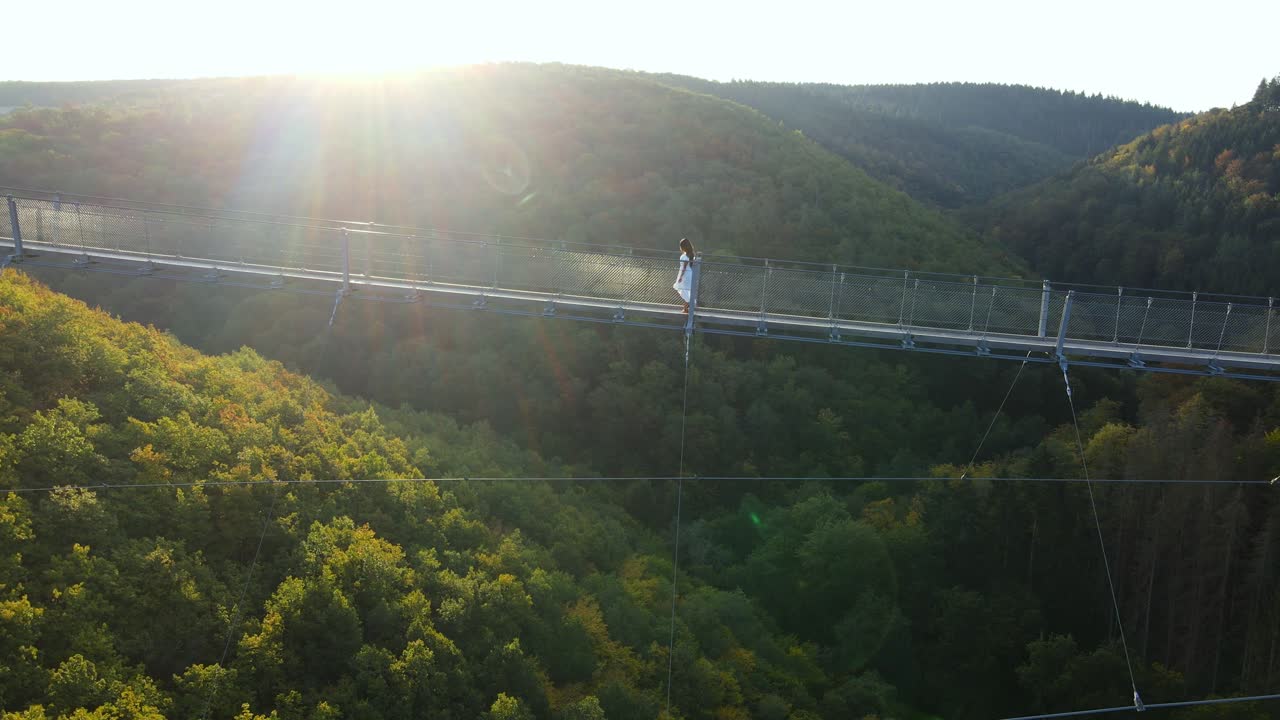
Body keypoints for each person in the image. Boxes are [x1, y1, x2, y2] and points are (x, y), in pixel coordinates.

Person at [673, 238, 695, 313]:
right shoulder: (689, 255)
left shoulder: (686, 256)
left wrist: (681, 277)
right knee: (686, 291)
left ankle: (686, 308)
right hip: (689, 273)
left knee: (684, 290)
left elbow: (684, 268)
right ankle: (686, 308)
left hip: (685, 274)